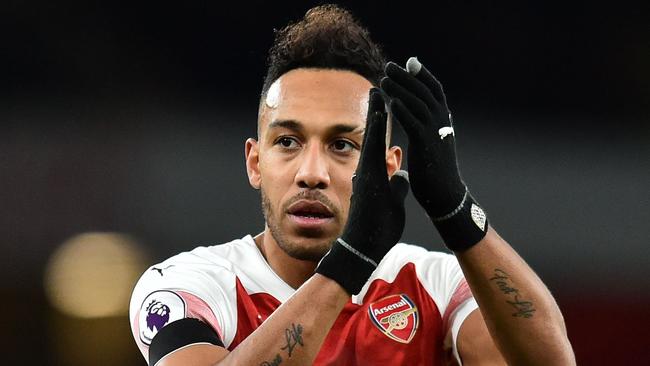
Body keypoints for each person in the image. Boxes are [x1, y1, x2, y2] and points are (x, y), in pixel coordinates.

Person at [129, 5, 575, 365]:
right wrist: (350, 264)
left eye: (342, 145)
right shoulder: (192, 285)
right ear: (255, 162)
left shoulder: (434, 284)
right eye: (287, 141)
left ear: (387, 167)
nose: (312, 172)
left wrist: (456, 210)